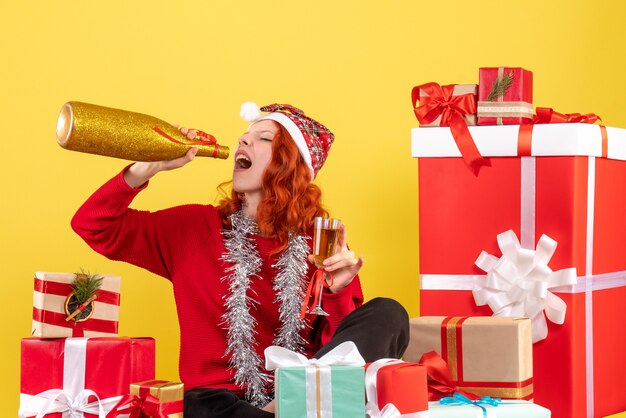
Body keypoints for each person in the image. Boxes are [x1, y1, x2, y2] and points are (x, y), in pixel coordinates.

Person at [72, 102, 409, 417]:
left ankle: (287, 403)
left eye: (263, 138)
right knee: (195, 403)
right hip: (224, 404)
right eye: (244, 136)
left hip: (302, 395)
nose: (243, 140)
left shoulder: (322, 246)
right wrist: (149, 166)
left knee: (388, 312)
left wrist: (337, 291)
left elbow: (341, 355)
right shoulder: (192, 229)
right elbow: (94, 225)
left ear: (291, 166)